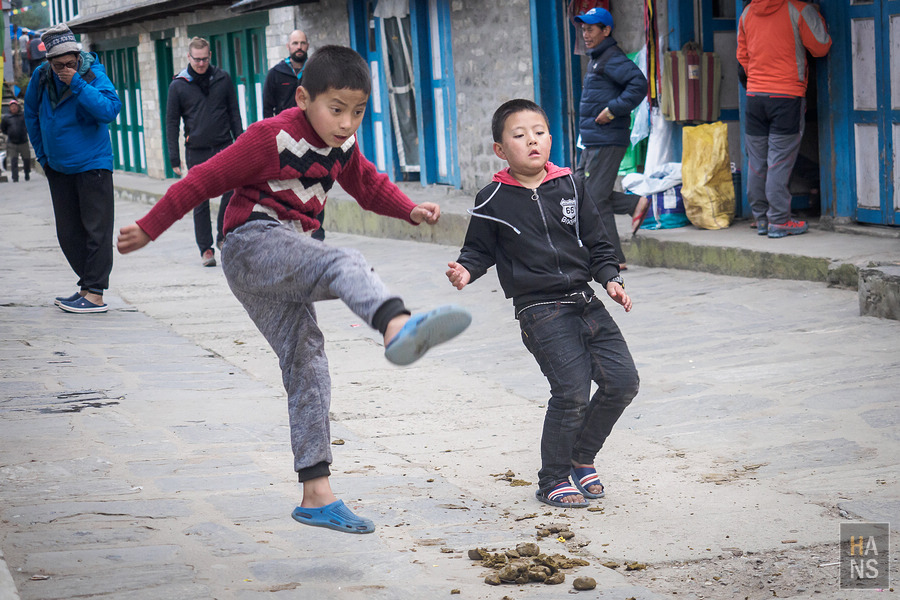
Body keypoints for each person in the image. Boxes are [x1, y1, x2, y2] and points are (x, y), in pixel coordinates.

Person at [117, 45, 471, 534]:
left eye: (359, 112)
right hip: (251, 244)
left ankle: (316, 494)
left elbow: (367, 185)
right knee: (342, 260)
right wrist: (151, 226)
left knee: (307, 360)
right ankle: (396, 325)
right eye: (337, 109)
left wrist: (409, 208)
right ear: (304, 98)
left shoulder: (341, 145)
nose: (347, 123)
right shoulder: (271, 137)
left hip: (285, 260)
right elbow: (203, 178)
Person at [446, 99, 639, 508]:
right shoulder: (492, 198)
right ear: (501, 149)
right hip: (540, 309)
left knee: (623, 382)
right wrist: (465, 270)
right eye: (519, 135)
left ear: (551, 138)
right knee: (571, 392)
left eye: (539, 132)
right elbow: (478, 250)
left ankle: (580, 456)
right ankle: (552, 478)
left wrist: (612, 280)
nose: (531, 140)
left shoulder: (572, 184)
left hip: (585, 300)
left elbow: (600, 244)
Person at [24, 23, 122, 314]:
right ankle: (86, 286)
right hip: (58, 167)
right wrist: (43, 157)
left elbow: (109, 111)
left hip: (93, 165)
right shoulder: (41, 77)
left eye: (70, 62)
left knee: (97, 231)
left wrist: (76, 83)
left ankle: (95, 294)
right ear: (49, 62)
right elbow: (31, 115)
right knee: (68, 233)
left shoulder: (92, 74)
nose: (66, 67)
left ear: (77, 56)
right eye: (59, 64)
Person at [737, 0, 831, 238]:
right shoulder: (799, 10)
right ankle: (779, 220)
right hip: (787, 97)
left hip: (755, 97)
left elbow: (743, 56)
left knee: (757, 162)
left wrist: (761, 78)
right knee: (778, 161)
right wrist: (818, 17)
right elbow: (821, 47)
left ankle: (761, 219)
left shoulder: (747, 12)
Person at [574, 7, 649, 270]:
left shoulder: (611, 57)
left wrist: (613, 109)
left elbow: (639, 85)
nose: (585, 34)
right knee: (581, 191)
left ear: (606, 31)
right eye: (583, 29)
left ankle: (613, 258)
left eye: (591, 29)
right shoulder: (597, 58)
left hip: (606, 138)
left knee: (593, 197)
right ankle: (634, 203)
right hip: (594, 138)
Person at [166, 37, 243, 266]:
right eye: (197, 59)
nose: (201, 64)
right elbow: (171, 122)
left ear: (210, 57)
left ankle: (222, 236)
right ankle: (206, 249)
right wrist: (173, 156)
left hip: (224, 146)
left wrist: (241, 143)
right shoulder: (178, 85)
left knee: (232, 191)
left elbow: (234, 113)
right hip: (196, 150)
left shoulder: (223, 78)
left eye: (205, 59)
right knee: (200, 200)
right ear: (189, 58)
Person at [262, 29, 326, 241]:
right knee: (291, 187)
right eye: (295, 43)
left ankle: (316, 232)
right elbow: (267, 110)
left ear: (307, 46)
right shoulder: (276, 74)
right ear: (288, 47)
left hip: (314, 139)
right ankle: (293, 233)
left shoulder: (316, 72)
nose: (299, 47)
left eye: (302, 43)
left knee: (317, 185)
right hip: (286, 142)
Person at [2, 99, 32, 182]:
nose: (14, 108)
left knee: (26, 159)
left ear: (18, 107)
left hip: (23, 141)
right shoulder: (6, 117)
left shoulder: (23, 115)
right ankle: (15, 177)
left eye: (15, 106)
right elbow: (3, 128)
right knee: (13, 160)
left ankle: (27, 173)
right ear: (10, 108)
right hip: (12, 143)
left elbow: (28, 124)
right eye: (12, 107)